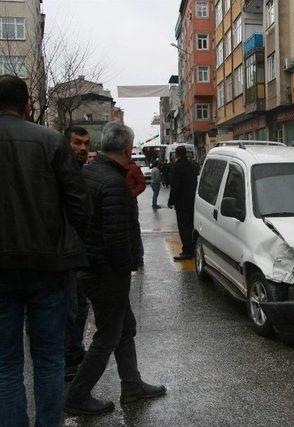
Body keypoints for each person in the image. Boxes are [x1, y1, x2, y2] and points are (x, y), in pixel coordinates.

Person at [0, 75, 91, 426]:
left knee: (6, 363)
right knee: (49, 358)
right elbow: (79, 205)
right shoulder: (52, 141)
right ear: (26, 105)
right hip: (48, 267)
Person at [64, 122, 166, 416]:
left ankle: (132, 385)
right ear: (127, 148)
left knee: (125, 328)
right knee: (108, 334)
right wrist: (127, 269)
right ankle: (76, 397)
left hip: (93, 267)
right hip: (106, 273)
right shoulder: (112, 183)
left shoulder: (91, 173)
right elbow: (116, 238)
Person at [62, 126, 92, 383]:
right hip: (65, 253)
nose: (83, 148)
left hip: (79, 252)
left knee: (80, 306)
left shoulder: (80, 172)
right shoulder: (61, 173)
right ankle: (68, 356)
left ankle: (74, 351)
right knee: (71, 307)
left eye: (86, 144)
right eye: (77, 143)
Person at [169, 145, 199, 260]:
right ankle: (192, 249)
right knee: (191, 226)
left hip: (182, 203)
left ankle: (187, 251)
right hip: (192, 201)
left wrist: (171, 201)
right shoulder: (192, 165)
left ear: (176, 154)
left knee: (183, 227)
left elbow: (175, 186)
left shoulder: (178, 167)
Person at [126, 157, 146, 267]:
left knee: (134, 230)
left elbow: (142, 184)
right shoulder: (116, 167)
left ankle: (138, 257)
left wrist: (131, 195)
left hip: (130, 203)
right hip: (117, 201)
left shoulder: (133, 167)